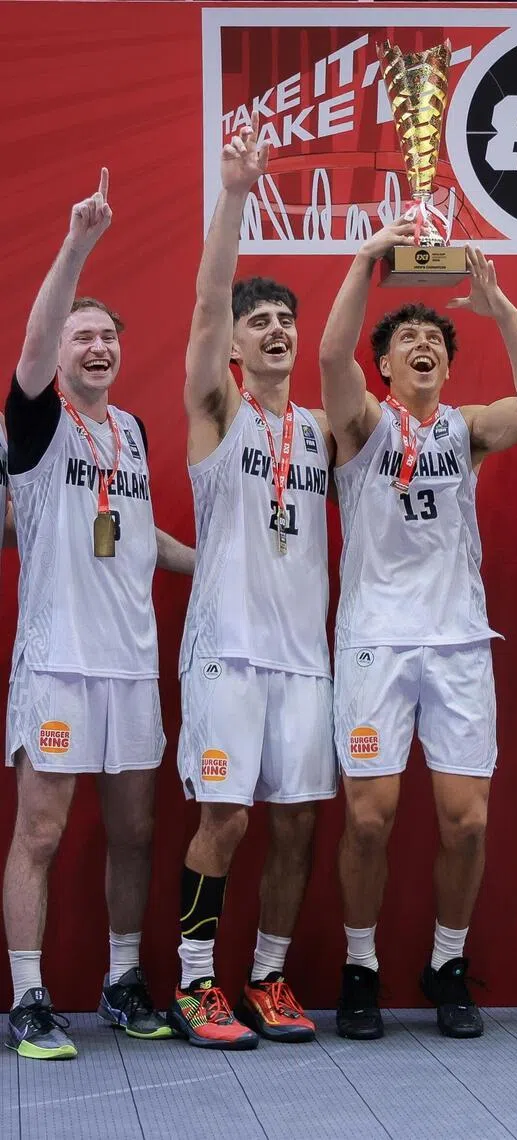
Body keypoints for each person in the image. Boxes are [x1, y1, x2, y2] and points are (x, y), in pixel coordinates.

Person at [320, 225, 517, 1040]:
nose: (422, 346)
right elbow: (327, 361)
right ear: (384, 364)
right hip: (376, 643)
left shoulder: (467, 429)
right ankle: (360, 966)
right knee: (369, 820)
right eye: (407, 339)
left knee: (469, 822)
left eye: (434, 341)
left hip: (457, 642)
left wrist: (500, 309)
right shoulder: (359, 428)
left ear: (447, 366)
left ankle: (447, 961)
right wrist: (362, 264)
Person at [3, 169, 194, 1060]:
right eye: (83, 335)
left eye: (107, 336)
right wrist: (79, 245)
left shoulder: (136, 435)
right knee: (39, 832)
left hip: (130, 663)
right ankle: (32, 998)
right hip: (58, 661)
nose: (96, 347)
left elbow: (144, 538)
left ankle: (122, 980)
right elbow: (34, 346)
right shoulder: (35, 425)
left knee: (136, 833)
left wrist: (216, 571)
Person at [167, 118, 337, 1050]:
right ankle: (197, 983)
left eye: (285, 322)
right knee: (225, 818)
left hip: (303, 659)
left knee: (300, 824)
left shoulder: (318, 427)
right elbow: (202, 307)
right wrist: (236, 194)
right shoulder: (217, 411)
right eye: (258, 322)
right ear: (235, 345)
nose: (275, 330)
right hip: (227, 653)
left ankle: (268, 978)